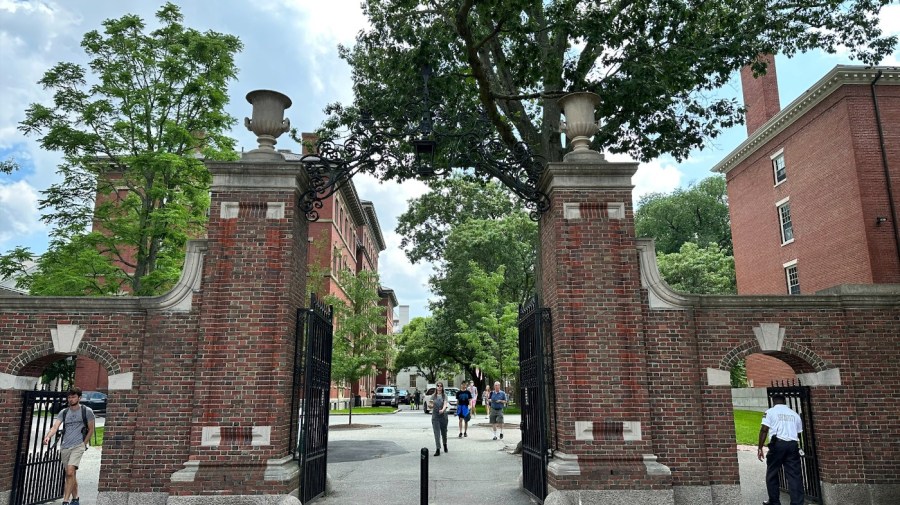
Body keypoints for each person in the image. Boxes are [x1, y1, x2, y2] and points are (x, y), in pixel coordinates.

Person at [42, 387, 96, 505]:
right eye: (69, 397)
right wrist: (48, 436)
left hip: (78, 445)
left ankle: (65, 501)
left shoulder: (87, 411)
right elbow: (55, 427)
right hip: (65, 446)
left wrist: (84, 444)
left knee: (70, 472)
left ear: (79, 398)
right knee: (71, 474)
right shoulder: (64, 412)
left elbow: (91, 429)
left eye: (73, 397)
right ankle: (75, 498)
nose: (71, 399)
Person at [757, 395, 804, 505]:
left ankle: (774, 501)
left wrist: (760, 448)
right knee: (794, 476)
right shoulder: (795, 414)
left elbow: (764, 430)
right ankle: (797, 503)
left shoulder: (770, 412)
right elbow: (798, 432)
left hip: (777, 444)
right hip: (793, 445)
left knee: (772, 473)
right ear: (784, 402)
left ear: (774, 402)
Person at [431, 382, 449, 456]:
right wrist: (430, 405)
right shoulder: (433, 396)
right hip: (435, 416)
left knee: (444, 432)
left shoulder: (444, 396)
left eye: (440, 386)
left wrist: (443, 409)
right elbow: (430, 403)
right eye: (438, 386)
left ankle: (445, 444)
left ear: (442, 387)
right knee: (437, 433)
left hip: (443, 416)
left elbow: (445, 404)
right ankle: (438, 449)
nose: (439, 387)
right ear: (436, 387)